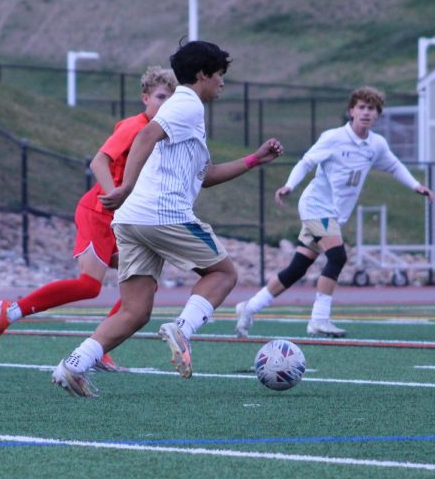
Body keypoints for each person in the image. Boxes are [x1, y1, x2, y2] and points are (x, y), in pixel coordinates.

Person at [51, 40, 284, 397]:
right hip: (162, 214)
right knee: (223, 274)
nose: (222, 82)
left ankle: (73, 364)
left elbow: (205, 175)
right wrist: (126, 185)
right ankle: (183, 329)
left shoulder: (187, 111)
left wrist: (254, 159)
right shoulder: (187, 104)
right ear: (203, 74)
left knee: (134, 311)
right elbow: (145, 136)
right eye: (220, 75)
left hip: (132, 221)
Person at [0, 66, 177, 363]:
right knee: (89, 285)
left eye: (171, 98)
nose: (166, 103)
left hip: (121, 220)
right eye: (161, 96)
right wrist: (116, 195)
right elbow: (99, 162)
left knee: (145, 283)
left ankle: (99, 349)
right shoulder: (134, 126)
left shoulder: (160, 135)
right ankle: (9, 312)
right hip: (99, 211)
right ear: (145, 98)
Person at [235, 86, 434, 339]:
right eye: (361, 107)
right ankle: (319, 320)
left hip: (333, 215)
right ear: (351, 111)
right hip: (315, 206)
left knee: (297, 268)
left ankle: (248, 307)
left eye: (371, 109)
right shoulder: (333, 138)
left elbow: (394, 166)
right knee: (338, 257)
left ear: (378, 115)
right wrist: (289, 185)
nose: (366, 112)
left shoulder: (376, 145)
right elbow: (306, 161)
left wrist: (417, 186)